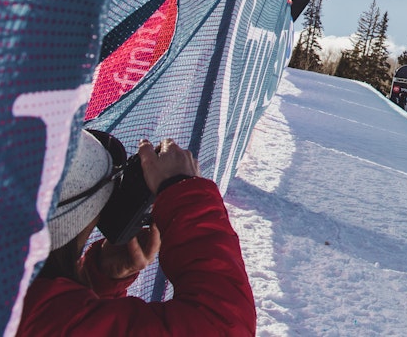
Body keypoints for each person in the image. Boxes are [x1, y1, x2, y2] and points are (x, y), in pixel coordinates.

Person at [17, 129, 254, 336]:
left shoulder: (6, 291)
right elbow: (223, 325)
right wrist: (186, 194)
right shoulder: (32, 315)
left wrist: (99, 281)